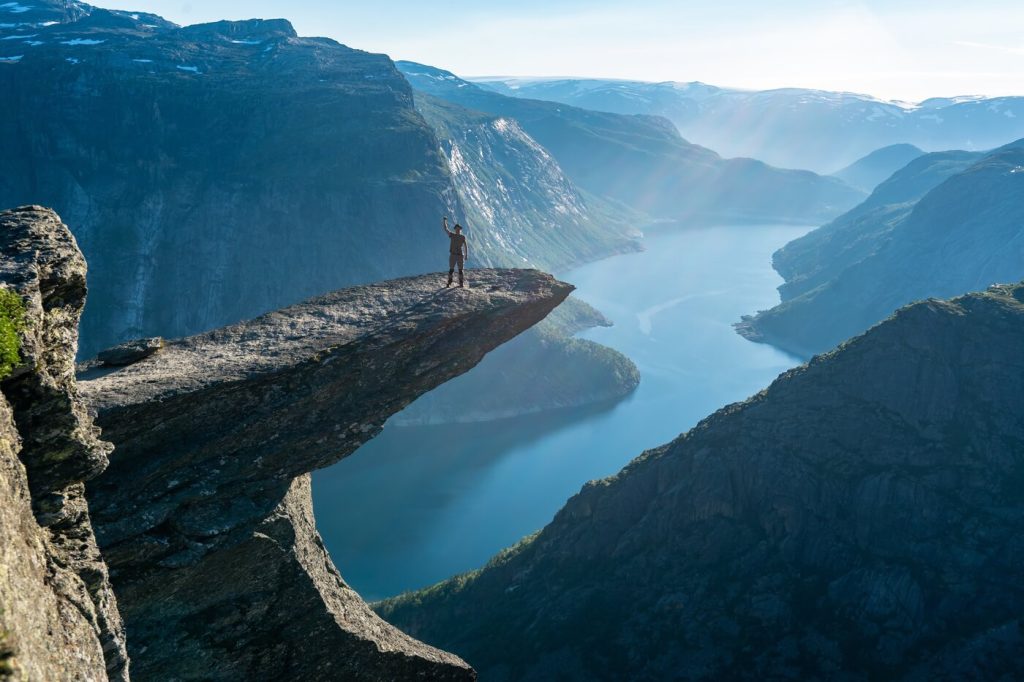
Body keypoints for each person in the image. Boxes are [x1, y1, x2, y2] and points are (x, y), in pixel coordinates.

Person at [442, 216, 469, 287]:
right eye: (457, 229)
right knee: (451, 269)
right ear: (455, 229)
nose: (458, 230)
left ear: (460, 230)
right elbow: (446, 229)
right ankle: (449, 282)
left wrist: (466, 255)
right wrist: (445, 221)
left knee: (460, 270)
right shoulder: (452, 235)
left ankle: (461, 283)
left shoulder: (462, 237)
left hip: (460, 255)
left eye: (459, 229)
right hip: (453, 255)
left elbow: (465, 246)